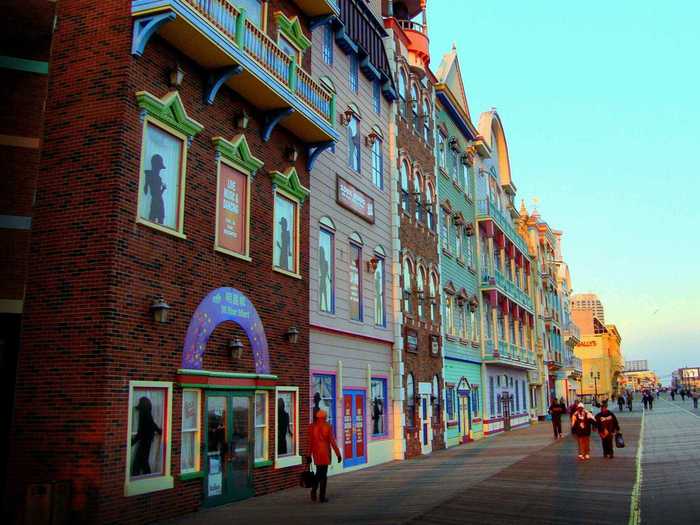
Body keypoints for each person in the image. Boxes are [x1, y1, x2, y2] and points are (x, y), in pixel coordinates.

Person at [307, 410, 341, 503]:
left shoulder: (311, 427)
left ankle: (314, 490)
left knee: (318, 472)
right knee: (323, 475)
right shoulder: (327, 426)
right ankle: (321, 496)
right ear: (325, 417)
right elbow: (332, 442)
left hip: (316, 452)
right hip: (325, 452)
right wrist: (338, 454)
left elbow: (310, 442)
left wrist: (308, 455)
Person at [131, 396, 162, 476]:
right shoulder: (147, 413)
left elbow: (141, 431)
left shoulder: (144, 414)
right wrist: (158, 430)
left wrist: (132, 442)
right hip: (147, 439)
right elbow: (152, 424)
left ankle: (140, 475)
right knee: (142, 460)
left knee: (139, 460)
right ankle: (146, 475)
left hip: (145, 440)